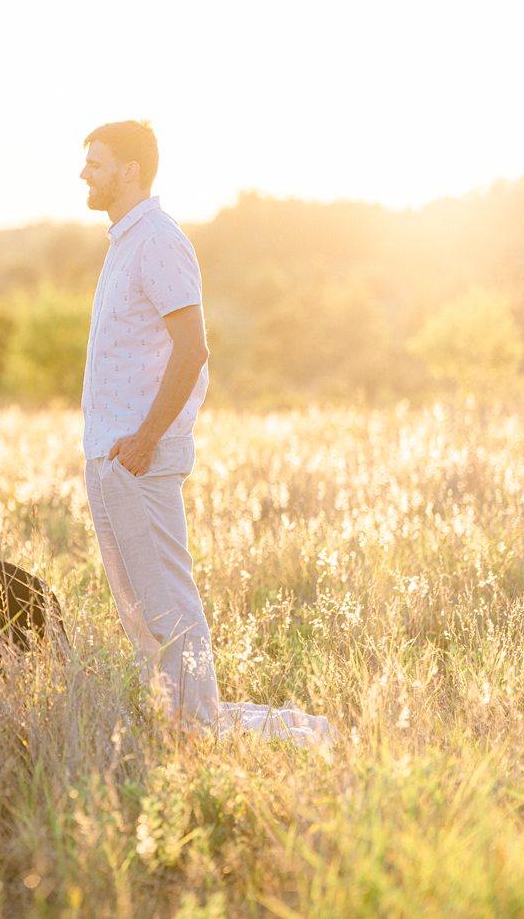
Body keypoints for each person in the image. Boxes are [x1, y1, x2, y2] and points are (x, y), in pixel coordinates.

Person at [78, 120, 329, 745]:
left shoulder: (159, 241)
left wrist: (143, 441)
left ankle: (236, 732)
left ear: (130, 170)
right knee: (142, 615)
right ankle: (181, 723)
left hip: (140, 459)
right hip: (111, 461)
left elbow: (192, 351)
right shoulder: (123, 242)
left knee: (170, 606)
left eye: (96, 162)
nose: (84, 173)